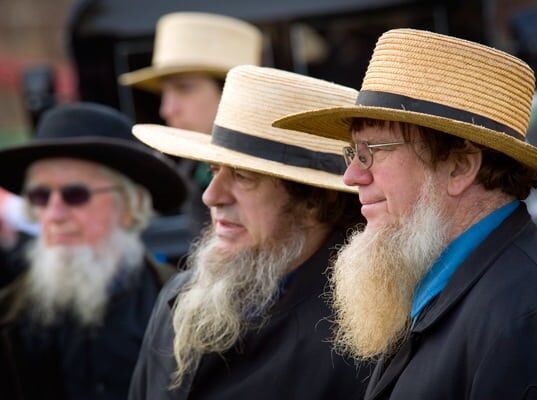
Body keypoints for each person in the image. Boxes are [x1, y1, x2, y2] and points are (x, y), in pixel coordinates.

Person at [273, 29, 537, 399]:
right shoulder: (455, 282)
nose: (352, 176)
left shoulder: (530, 316)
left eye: (370, 152)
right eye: (353, 153)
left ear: (459, 167)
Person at [128, 65, 369, 399]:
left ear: (315, 201)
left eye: (243, 176)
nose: (211, 195)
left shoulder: (358, 340)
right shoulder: (180, 296)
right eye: (213, 169)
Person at [0, 102, 187, 399]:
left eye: (75, 194)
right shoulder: (9, 317)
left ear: (128, 206)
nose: (54, 213)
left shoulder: (186, 313)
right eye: (40, 196)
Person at [120, 12, 263, 232]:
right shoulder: (183, 178)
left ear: (234, 93)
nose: (167, 110)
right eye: (163, 94)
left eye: (184, 88)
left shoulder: (277, 177)